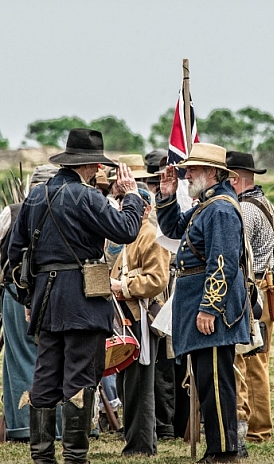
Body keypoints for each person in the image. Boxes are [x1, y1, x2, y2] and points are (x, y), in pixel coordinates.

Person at [7, 128, 144, 464]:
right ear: (94, 165)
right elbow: (126, 229)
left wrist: (29, 302)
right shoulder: (87, 197)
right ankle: (74, 458)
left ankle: (42, 458)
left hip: (45, 302)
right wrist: (133, 196)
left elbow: (14, 256)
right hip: (83, 300)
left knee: (45, 378)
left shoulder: (35, 197)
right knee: (80, 380)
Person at [156, 143, 250, 464]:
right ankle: (218, 449)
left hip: (211, 309)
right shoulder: (206, 205)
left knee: (215, 383)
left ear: (212, 173)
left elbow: (221, 263)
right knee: (208, 381)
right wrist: (167, 196)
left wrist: (209, 307)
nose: (187, 174)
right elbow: (172, 229)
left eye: (193, 169)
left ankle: (223, 453)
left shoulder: (220, 209)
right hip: (198, 304)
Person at [0, 164, 60, 443]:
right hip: (56, 291)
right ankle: (58, 426)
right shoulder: (66, 208)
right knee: (56, 357)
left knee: (20, 357)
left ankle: (25, 426)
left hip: (18, 293)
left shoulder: (14, 211)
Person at [226, 151, 274, 452]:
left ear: (235, 178)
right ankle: (258, 426)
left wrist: (260, 268)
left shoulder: (244, 210)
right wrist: (273, 262)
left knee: (250, 362)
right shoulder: (264, 203)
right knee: (258, 359)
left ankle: (257, 429)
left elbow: (237, 254)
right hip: (265, 288)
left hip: (252, 292)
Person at [109, 187, 170, 456]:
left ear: (146, 208)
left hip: (141, 318)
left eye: (129, 204)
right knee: (126, 385)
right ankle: (134, 440)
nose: (122, 208)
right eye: (121, 203)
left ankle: (142, 445)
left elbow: (157, 280)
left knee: (140, 386)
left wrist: (122, 285)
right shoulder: (130, 236)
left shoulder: (150, 236)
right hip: (126, 317)